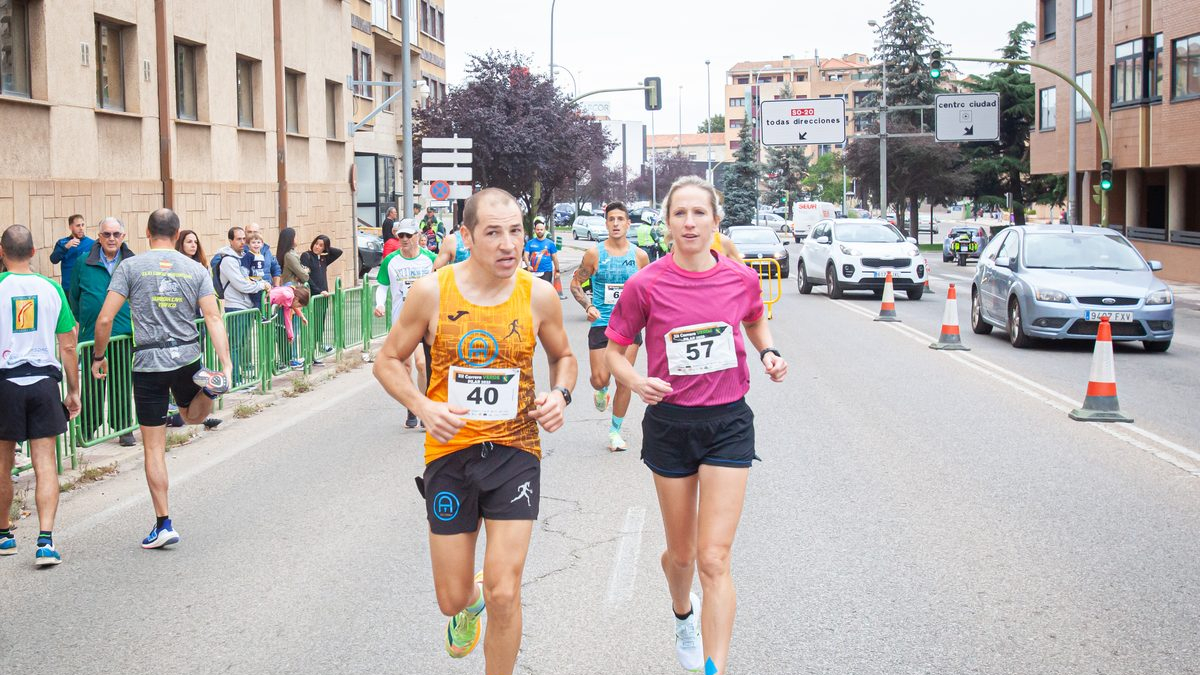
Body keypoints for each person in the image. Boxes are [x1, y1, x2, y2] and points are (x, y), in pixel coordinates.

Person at [372, 187, 577, 675]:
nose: (509, 245)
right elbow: (387, 361)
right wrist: (422, 405)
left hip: (515, 451)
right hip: (450, 455)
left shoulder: (538, 294)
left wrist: (560, 395)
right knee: (451, 598)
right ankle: (471, 599)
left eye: (516, 232)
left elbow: (564, 357)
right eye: (494, 233)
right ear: (466, 236)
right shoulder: (432, 291)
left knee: (508, 590)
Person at [605, 176, 787, 675]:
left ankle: (714, 667)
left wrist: (767, 351)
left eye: (699, 213)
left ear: (715, 220)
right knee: (682, 557)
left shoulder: (740, 278)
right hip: (670, 425)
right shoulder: (647, 284)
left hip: (728, 421)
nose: (689, 222)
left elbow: (753, 320)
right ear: (666, 224)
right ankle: (683, 613)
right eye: (680, 214)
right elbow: (614, 352)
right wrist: (637, 382)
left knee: (713, 558)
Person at [92, 208, 234, 550]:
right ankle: (208, 389)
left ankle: (163, 522)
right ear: (177, 232)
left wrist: (99, 357)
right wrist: (226, 365)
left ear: (146, 231)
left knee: (154, 449)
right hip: (187, 355)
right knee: (191, 415)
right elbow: (213, 318)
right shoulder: (195, 268)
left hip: (148, 360)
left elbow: (105, 320)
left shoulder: (130, 267)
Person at [0, 224, 82, 566]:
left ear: (1, 253)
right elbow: (68, 344)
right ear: (34, 253)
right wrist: (73, 390)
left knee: (3, 465)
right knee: (45, 464)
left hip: (5, 381)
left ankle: (4, 535)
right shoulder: (51, 289)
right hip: (44, 382)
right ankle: (45, 541)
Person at [569, 201, 649, 452]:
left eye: (620, 219)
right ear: (606, 224)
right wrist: (587, 305)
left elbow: (649, 289)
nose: (615, 224)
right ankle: (601, 390)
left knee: (625, 380)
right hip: (602, 323)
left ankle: (615, 431)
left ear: (628, 224)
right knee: (599, 378)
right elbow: (575, 284)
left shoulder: (639, 256)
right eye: (611, 219)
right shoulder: (595, 254)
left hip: (629, 325)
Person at [68, 217, 136, 447]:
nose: (111, 238)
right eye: (106, 234)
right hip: (92, 335)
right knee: (92, 383)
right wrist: (86, 321)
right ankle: (87, 428)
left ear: (123, 237)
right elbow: (74, 297)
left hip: (123, 332)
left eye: (116, 234)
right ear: (99, 236)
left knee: (121, 382)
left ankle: (124, 427)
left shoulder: (132, 262)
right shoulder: (83, 262)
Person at [374, 218, 435, 429]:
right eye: (401, 235)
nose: (405, 239)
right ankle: (411, 407)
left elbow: (443, 284)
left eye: (409, 235)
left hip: (426, 321)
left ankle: (424, 408)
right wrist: (380, 304)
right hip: (402, 321)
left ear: (418, 235)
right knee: (405, 366)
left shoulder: (430, 259)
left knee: (422, 365)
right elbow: (382, 285)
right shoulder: (391, 261)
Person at [300, 234, 342, 360]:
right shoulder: (306, 256)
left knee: (320, 323)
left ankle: (318, 346)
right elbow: (307, 278)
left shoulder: (323, 259)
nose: (317, 247)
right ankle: (309, 351)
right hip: (314, 296)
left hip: (323, 296)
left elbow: (339, 252)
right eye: (316, 243)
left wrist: (326, 248)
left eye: (321, 245)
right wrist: (318, 291)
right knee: (312, 323)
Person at [49, 214, 95, 291]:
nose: (81, 228)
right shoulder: (62, 242)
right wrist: (66, 247)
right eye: (78, 226)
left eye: (82, 225)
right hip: (69, 288)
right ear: (70, 227)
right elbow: (53, 260)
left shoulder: (92, 243)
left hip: (86, 287)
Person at [268, 285, 310, 367]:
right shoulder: (288, 296)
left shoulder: (289, 301)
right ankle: (282, 362)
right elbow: (283, 294)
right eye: (299, 306)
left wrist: (290, 335)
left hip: (274, 310)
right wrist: (276, 303)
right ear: (297, 299)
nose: (299, 308)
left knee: (284, 336)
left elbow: (288, 319)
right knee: (277, 337)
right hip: (267, 309)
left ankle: (287, 361)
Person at [522, 217, 559, 286]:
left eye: (541, 229)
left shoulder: (550, 243)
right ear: (535, 230)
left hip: (546, 271)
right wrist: (528, 265)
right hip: (533, 272)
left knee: (545, 291)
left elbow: (555, 258)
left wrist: (557, 271)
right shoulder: (530, 243)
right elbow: (525, 256)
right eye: (538, 229)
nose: (539, 231)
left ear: (545, 230)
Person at [241, 231, 268, 308]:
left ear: (262, 244)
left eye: (258, 242)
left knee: (264, 296)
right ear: (248, 245)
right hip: (252, 280)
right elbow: (244, 269)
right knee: (257, 299)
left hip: (259, 279)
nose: (256, 244)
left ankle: (264, 312)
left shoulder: (261, 256)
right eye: (253, 242)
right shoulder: (249, 255)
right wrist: (247, 279)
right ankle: (258, 314)